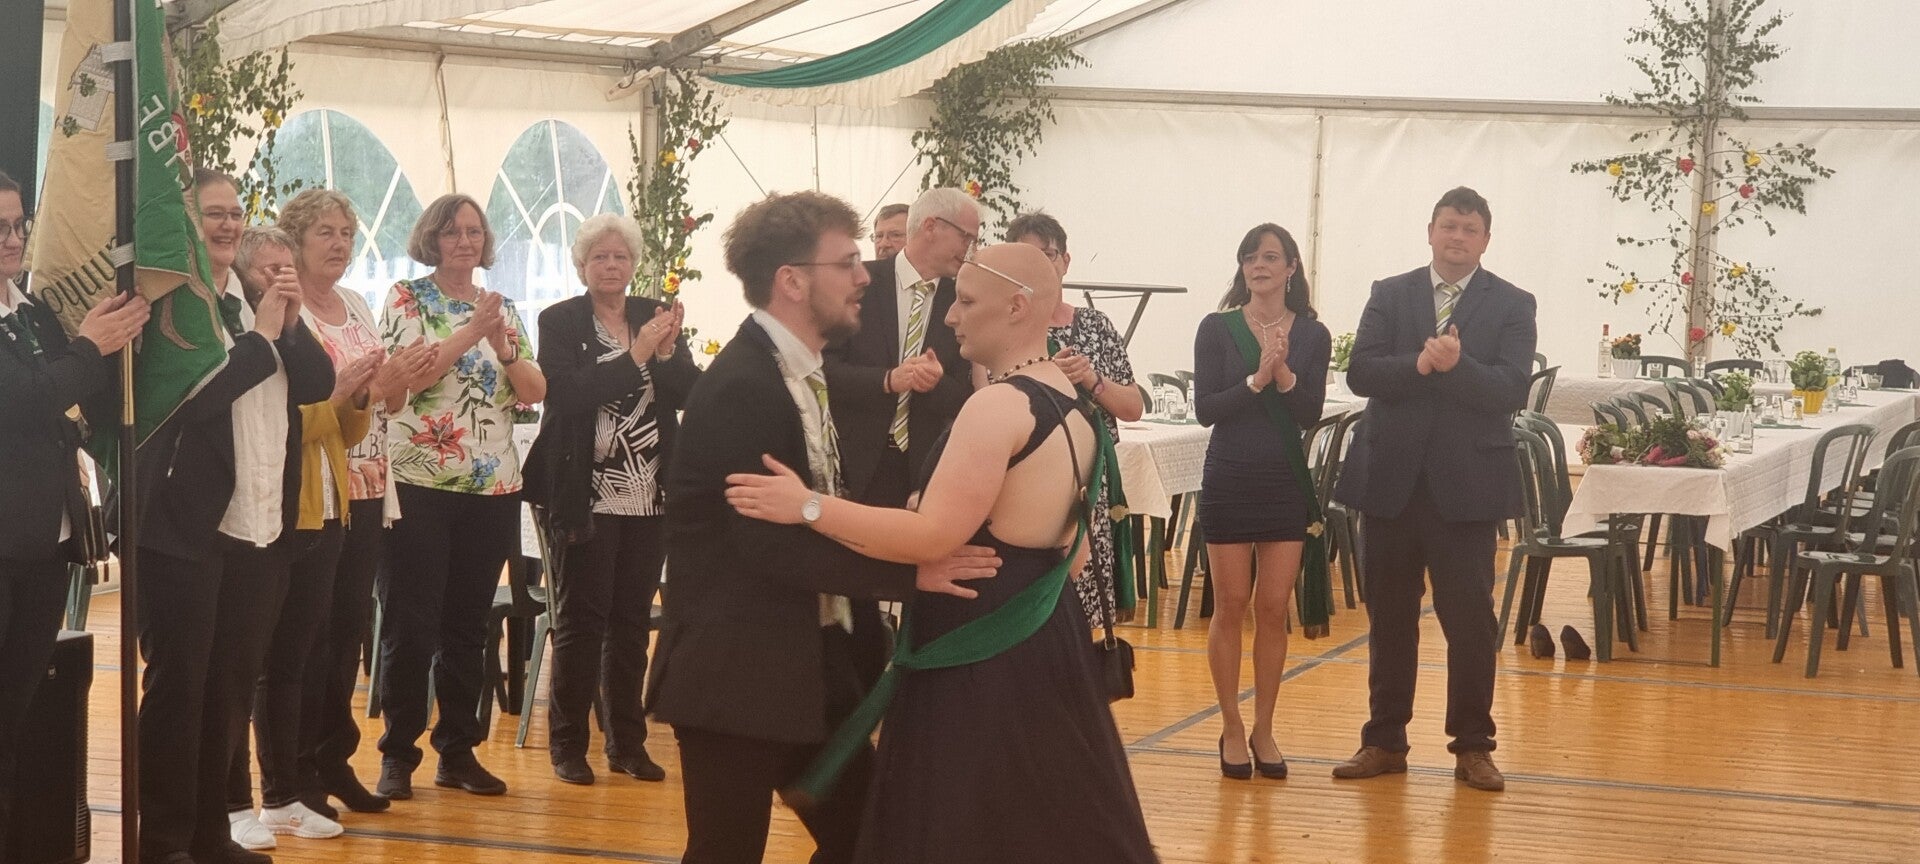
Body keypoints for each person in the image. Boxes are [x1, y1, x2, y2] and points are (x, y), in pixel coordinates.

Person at [725, 243, 1157, 863]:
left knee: (967, 826)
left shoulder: (998, 405)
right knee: (1049, 817)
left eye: (967, 301)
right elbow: (1078, 550)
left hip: (980, 650)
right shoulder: (1075, 405)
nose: (950, 316)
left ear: (1016, 307)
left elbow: (932, 538)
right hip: (1047, 640)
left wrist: (808, 507)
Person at [645, 191, 997, 864]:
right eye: (846, 263)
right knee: (728, 851)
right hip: (737, 673)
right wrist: (912, 572)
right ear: (792, 281)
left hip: (809, 665)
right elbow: (768, 548)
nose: (864, 275)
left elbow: (817, 515)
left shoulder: (797, 372)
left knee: (869, 840)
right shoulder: (745, 386)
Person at [134, 173, 335, 864]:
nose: (226, 225)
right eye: (212, 214)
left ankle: (209, 833)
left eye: (234, 213)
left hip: (260, 527)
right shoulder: (171, 308)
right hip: (185, 529)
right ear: (186, 224)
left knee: (227, 692)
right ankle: (163, 842)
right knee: (180, 690)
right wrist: (263, 338)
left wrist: (288, 322)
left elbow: (318, 385)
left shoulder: (247, 302)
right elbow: (195, 398)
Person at [1331, 186, 1536, 793]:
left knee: (1469, 621)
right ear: (1430, 232)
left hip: (1467, 489)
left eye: (1470, 229)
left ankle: (1473, 746)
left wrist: (1457, 365)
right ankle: (1383, 740)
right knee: (1389, 617)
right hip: (1391, 482)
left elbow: (1511, 389)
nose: (1457, 237)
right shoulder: (1389, 294)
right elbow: (1361, 372)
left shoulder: (1513, 304)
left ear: (1486, 240)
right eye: (1448, 226)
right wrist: (1419, 365)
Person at [375, 193, 546, 800]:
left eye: (474, 231)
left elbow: (533, 390)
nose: (465, 241)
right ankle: (398, 754)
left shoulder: (503, 307)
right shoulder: (407, 298)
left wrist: (502, 344)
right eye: (452, 232)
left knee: (468, 626)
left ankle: (458, 751)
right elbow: (409, 378)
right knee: (411, 624)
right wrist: (473, 330)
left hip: (492, 485)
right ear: (432, 239)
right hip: (419, 481)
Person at [522, 213, 698, 786]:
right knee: (581, 623)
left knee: (630, 624)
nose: (611, 265)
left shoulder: (653, 313)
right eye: (600, 256)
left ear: (634, 264)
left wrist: (666, 355)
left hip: (650, 491)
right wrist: (638, 354)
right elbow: (566, 395)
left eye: (620, 256)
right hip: (586, 493)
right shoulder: (560, 320)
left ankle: (627, 744)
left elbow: (687, 394)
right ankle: (568, 746)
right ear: (581, 266)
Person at [0, 171, 148, 845]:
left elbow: (77, 390)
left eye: (20, 225)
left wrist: (118, 347)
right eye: (0, 229)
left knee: (16, 710)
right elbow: (26, 399)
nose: (13, 240)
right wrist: (91, 346)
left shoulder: (31, 312)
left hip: (46, 539)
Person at [283, 194, 434, 819]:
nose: (340, 243)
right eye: (326, 231)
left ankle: (334, 759)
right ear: (295, 239)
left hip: (369, 487)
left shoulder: (356, 304)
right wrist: (370, 390)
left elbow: (386, 403)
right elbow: (302, 403)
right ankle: (294, 773)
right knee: (309, 636)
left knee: (347, 632)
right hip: (318, 490)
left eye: (347, 232)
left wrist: (396, 387)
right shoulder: (289, 312)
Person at [1191, 223, 1331, 779]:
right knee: (1230, 604)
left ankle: (1264, 727)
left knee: (1273, 608)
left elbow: (1309, 412)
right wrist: (1256, 379)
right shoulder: (1217, 328)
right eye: (1250, 257)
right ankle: (1230, 725)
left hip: (1283, 480)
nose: (1259, 265)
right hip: (1229, 475)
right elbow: (1206, 408)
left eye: (1271, 257)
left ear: (1292, 267)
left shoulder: (1313, 334)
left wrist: (1285, 373)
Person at [1005, 210, 1142, 628]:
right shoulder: (1005, 327)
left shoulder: (1095, 325)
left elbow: (1133, 406)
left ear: (1065, 261)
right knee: (1035, 609)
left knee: (1086, 614)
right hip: (1029, 484)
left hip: (1089, 482)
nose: (1041, 265)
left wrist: (1091, 379)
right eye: (1027, 256)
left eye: (1048, 255)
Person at [825, 187, 977, 510]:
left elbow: (967, 398)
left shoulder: (962, 299)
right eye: (965, 236)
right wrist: (888, 380)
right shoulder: (859, 282)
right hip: (852, 464)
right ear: (931, 226)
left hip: (923, 473)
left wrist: (936, 382)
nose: (969, 248)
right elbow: (821, 370)